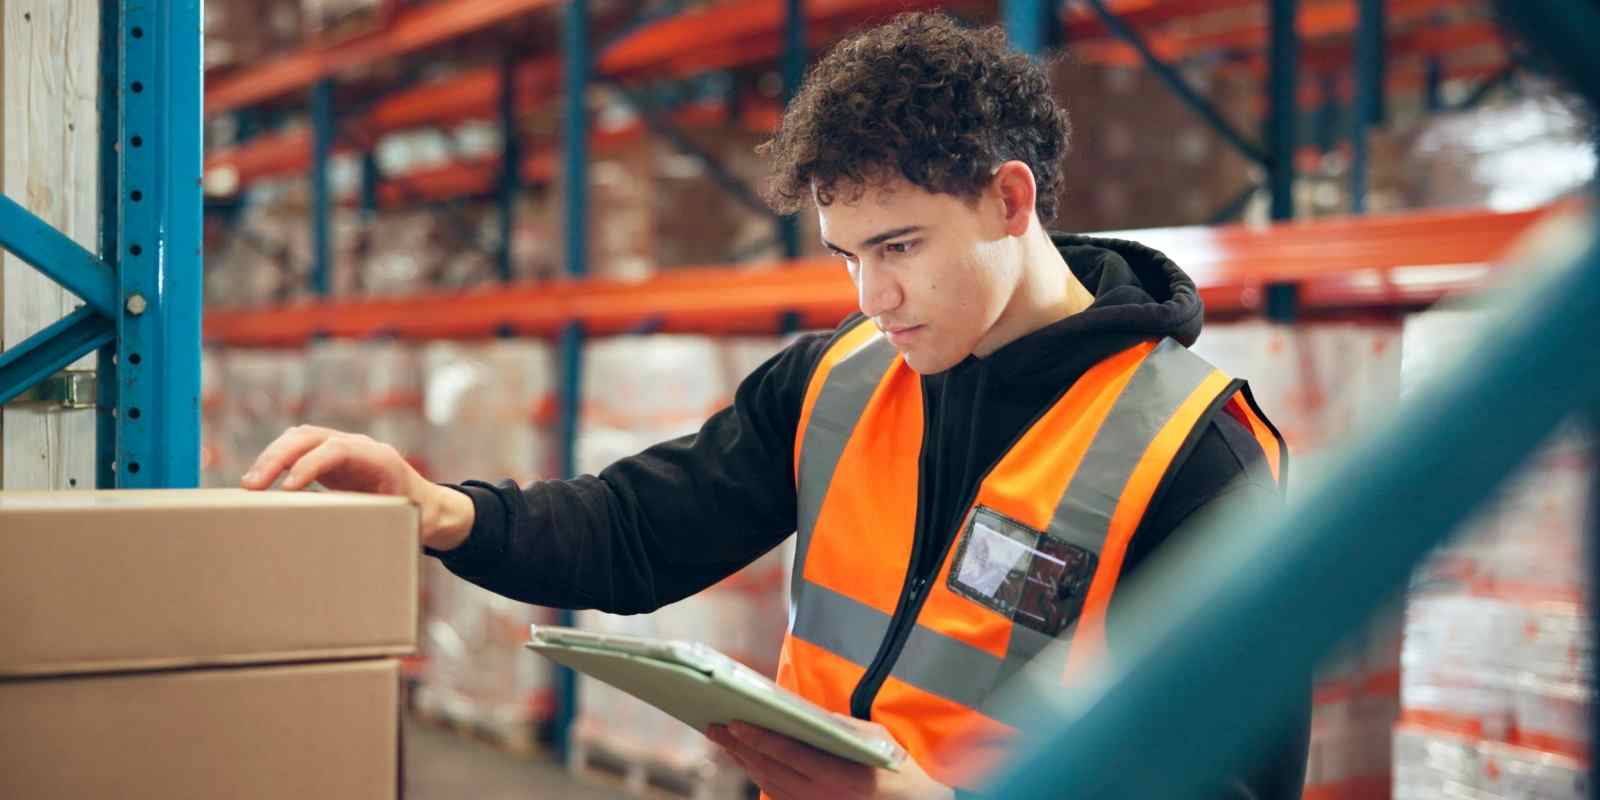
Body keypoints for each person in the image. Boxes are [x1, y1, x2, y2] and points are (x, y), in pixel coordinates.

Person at [243, 12, 1309, 799]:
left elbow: (1231, 781)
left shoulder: (1189, 448)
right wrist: (440, 509)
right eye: (847, 256)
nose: (872, 296)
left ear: (1009, 198)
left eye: (899, 247)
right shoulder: (838, 378)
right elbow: (636, 528)